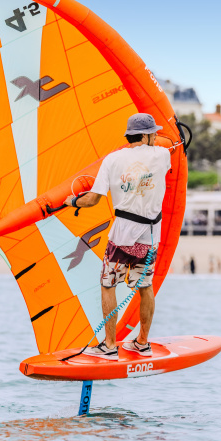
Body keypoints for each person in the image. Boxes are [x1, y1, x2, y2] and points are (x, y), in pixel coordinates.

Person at [64, 113, 171, 361]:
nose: (156, 137)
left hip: (122, 236)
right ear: (145, 135)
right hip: (149, 237)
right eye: (152, 133)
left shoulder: (112, 160)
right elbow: (169, 142)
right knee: (145, 286)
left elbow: (92, 199)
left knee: (108, 285)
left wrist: (73, 202)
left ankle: (110, 346)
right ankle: (142, 343)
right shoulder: (162, 155)